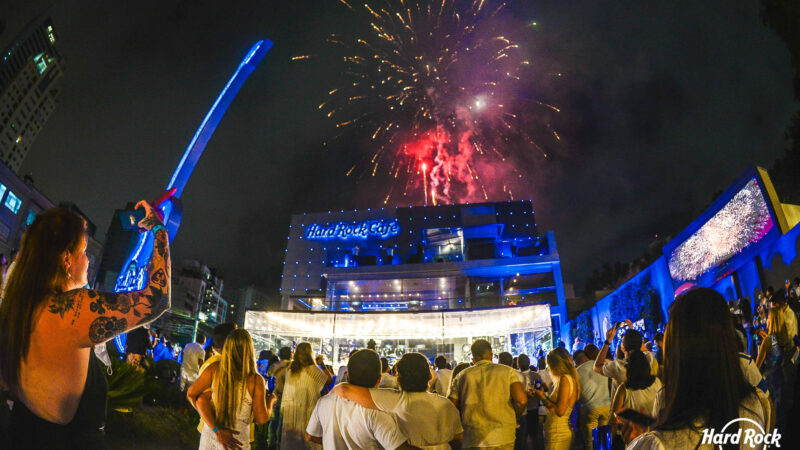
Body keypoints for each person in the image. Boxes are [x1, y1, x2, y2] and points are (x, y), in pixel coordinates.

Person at [0, 202, 171, 449]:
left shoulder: (20, 304)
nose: (88, 261)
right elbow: (156, 299)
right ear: (66, 259)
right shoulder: (75, 309)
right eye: (83, 252)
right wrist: (158, 229)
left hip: (21, 432)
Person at [626, 288, 767, 449]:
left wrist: (638, 438)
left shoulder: (659, 441)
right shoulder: (755, 404)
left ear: (677, 348)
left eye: (669, 329)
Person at [333, 352, 463, 448]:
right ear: (429, 376)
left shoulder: (392, 399)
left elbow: (345, 390)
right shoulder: (446, 404)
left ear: (398, 377)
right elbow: (458, 439)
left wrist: (331, 394)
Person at [306, 349, 415, 449]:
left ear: (347, 374)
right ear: (379, 380)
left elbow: (311, 436)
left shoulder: (324, 402)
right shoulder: (377, 412)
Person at [188, 329, 275, 450]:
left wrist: (213, 426)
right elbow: (261, 419)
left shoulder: (214, 370)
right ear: (249, 350)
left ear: (227, 347)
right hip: (237, 442)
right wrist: (271, 401)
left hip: (211, 437)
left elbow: (191, 394)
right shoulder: (255, 380)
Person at [448, 339, 527, 449]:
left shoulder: (462, 375)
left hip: (473, 437)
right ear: (491, 355)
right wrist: (514, 416)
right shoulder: (508, 372)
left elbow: (451, 406)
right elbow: (521, 400)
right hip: (503, 436)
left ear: (473, 358)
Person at [279, 343, 333, 449]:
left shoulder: (290, 370)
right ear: (310, 354)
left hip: (291, 412)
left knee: (292, 442)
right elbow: (329, 380)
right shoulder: (312, 369)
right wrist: (322, 364)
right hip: (308, 410)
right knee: (307, 440)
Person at [755, 299, 794, 430]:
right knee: (782, 406)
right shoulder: (782, 337)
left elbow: (756, 365)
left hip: (771, 380)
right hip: (781, 376)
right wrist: (766, 336)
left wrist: (762, 345)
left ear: (771, 320)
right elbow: (775, 345)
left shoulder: (767, 341)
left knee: (775, 412)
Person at [593, 324, 657, 401]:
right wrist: (631, 331)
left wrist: (607, 341)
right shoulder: (649, 359)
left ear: (623, 348)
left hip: (626, 410)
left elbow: (597, 367)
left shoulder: (618, 368)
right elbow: (638, 346)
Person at [609, 350, 661, 446]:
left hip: (633, 438)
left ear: (629, 369)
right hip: (655, 437)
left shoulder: (624, 389)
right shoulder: (657, 382)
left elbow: (613, 419)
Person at [532, 348, 579, 450]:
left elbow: (560, 411)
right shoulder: (567, 378)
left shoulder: (565, 379)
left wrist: (542, 397)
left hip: (558, 434)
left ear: (556, 364)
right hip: (557, 432)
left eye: (549, 365)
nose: (548, 368)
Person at [573, 347, 610, 450]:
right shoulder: (599, 364)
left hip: (590, 409)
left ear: (576, 361)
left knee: (590, 441)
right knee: (604, 440)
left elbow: (576, 394)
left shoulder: (576, 372)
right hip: (606, 406)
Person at [266, 347, 292, 450]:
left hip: (276, 395)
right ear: (290, 355)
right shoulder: (293, 366)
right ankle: (280, 443)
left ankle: (271, 441)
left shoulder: (274, 365)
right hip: (288, 396)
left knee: (274, 420)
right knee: (283, 421)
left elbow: (268, 376)